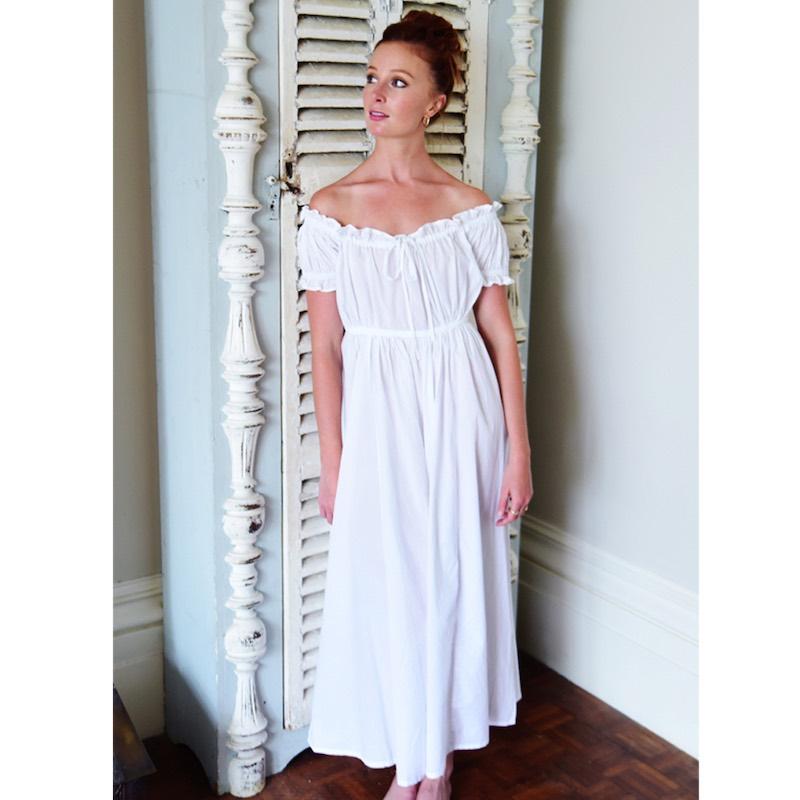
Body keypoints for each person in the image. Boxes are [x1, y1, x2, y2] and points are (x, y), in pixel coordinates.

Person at [296, 10, 534, 799]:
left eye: (397, 82)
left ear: (433, 103)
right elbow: (326, 348)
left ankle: (433, 760)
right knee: (391, 582)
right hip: (377, 420)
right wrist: (336, 462)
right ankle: (412, 752)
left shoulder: (469, 209)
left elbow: (498, 334)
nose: (376, 94)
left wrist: (519, 450)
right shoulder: (330, 209)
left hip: (463, 407)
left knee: (452, 577)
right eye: (372, 78)